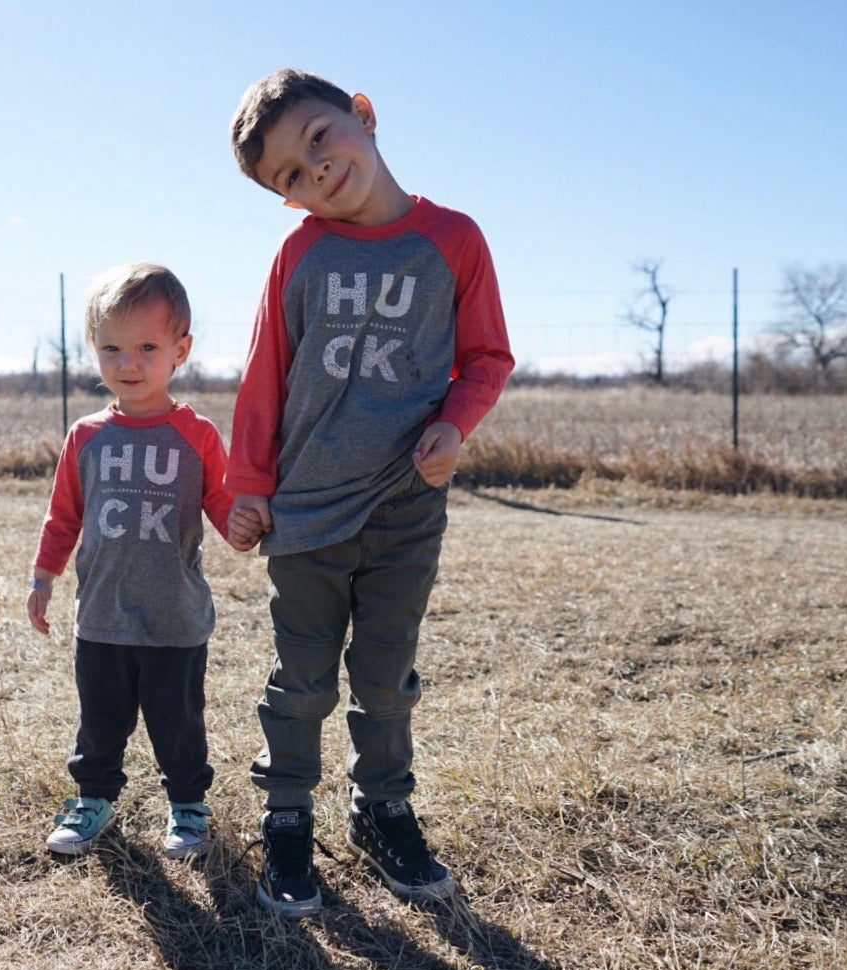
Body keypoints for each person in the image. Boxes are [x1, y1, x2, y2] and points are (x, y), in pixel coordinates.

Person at [225, 69, 514, 916]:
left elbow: (488, 356)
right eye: (291, 174)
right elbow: (264, 377)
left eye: (320, 139)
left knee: (386, 676)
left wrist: (455, 424)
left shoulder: (453, 238)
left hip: (403, 504)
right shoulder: (300, 252)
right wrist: (250, 487)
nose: (315, 170)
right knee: (302, 679)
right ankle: (286, 816)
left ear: (363, 113)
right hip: (309, 509)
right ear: (285, 201)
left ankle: (382, 808)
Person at [28, 262, 241, 860]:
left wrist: (249, 527)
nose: (129, 363)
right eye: (111, 348)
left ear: (181, 350)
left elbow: (224, 506)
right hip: (102, 616)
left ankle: (189, 810)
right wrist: (43, 576)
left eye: (148, 347)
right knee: (99, 720)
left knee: (179, 725)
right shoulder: (86, 436)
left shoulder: (196, 435)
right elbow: (63, 514)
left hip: (174, 616)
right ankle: (93, 799)